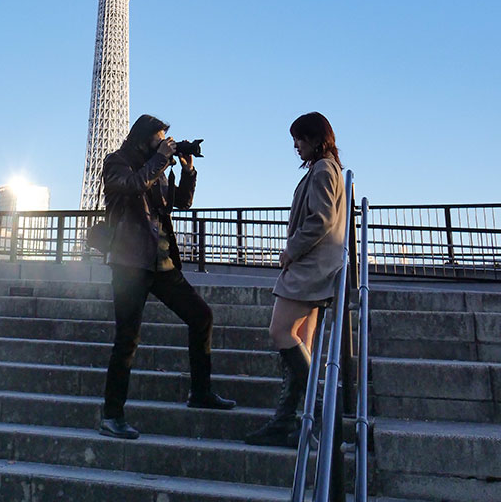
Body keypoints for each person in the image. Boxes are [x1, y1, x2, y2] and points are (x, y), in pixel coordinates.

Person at [98, 113, 235, 440]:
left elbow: (180, 203)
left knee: (201, 316)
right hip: (130, 262)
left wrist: (188, 171)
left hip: (161, 261)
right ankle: (111, 415)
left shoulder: (156, 167)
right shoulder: (117, 162)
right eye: (159, 139)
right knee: (127, 339)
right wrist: (161, 159)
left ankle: (199, 393)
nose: (164, 145)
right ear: (144, 138)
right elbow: (132, 186)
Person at [245, 111, 346, 448]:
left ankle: (318, 413)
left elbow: (320, 219)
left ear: (316, 138)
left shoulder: (322, 170)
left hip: (309, 267)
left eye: (300, 139)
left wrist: (291, 250)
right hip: (320, 268)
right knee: (302, 342)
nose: (296, 146)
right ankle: (290, 423)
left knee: (280, 332)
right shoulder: (329, 169)